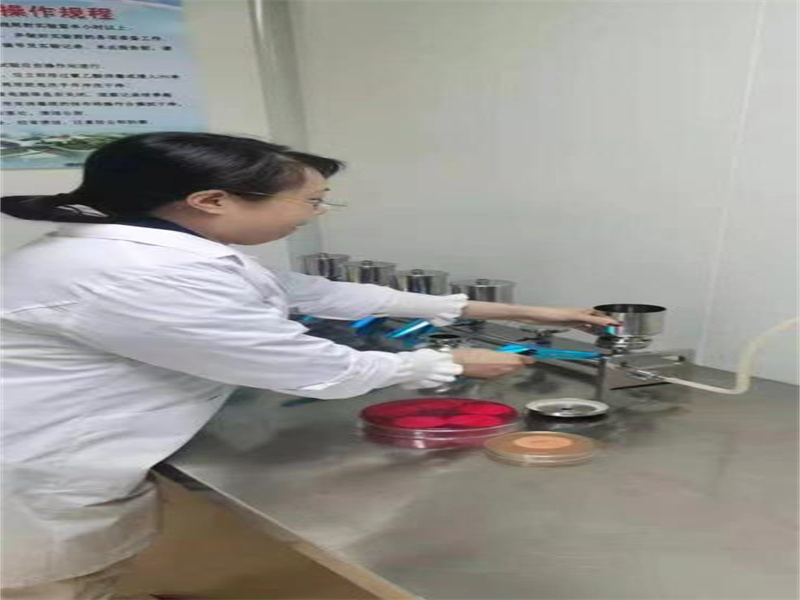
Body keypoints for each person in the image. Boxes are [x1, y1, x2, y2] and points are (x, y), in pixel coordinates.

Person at [0, 132, 617, 599]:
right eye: (312, 201)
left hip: (55, 454)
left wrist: (534, 312)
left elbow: (323, 295)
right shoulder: (148, 271)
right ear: (211, 200)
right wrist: (446, 361)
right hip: (35, 469)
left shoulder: (144, 250)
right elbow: (317, 370)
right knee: (60, 588)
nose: (315, 213)